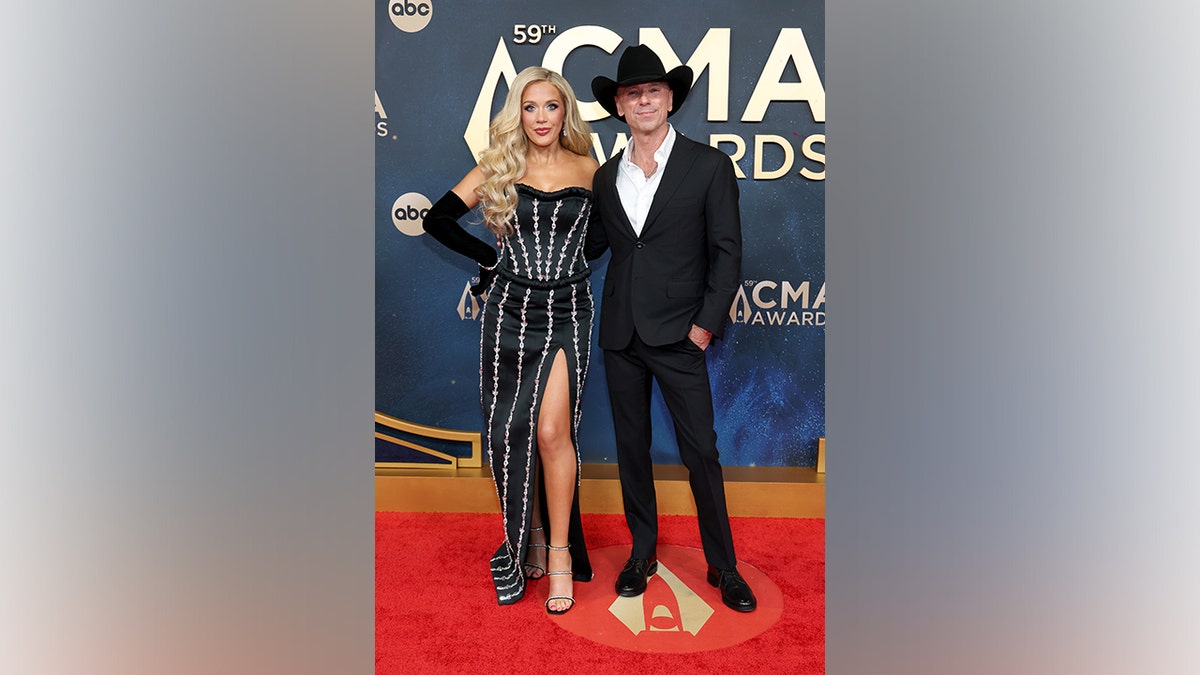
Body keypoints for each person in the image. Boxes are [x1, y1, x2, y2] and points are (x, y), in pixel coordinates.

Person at [585, 45, 757, 612]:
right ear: (619, 104)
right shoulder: (606, 176)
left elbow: (727, 253)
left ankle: (723, 566)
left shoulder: (707, 165)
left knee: (700, 452)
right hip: (621, 337)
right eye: (633, 93)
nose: (644, 100)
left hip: (683, 336)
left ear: (670, 99)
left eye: (653, 91)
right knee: (631, 449)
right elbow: (594, 247)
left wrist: (705, 327)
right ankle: (642, 553)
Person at [422, 66, 599, 614]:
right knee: (514, 433)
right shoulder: (499, 167)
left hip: (569, 309)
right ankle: (535, 540)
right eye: (530, 107)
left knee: (552, 431)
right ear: (516, 114)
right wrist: (491, 259)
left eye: (551, 106)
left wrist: (564, 269)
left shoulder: (592, 170)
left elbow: (609, 241)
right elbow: (438, 219)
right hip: (510, 311)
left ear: (565, 111)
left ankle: (562, 556)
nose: (541, 117)